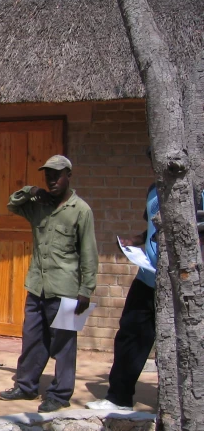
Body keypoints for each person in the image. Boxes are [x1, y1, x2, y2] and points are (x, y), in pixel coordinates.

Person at [0, 154, 98, 413]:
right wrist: (31, 191)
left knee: (64, 344)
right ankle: (26, 385)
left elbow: (89, 252)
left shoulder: (81, 211)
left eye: (57, 175)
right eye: (48, 176)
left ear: (68, 176)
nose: (52, 180)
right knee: (32, 338)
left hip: (66, 290)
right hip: (37, 286)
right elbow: (12, 204)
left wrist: (86, 290)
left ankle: (60, 394)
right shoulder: (39, 206)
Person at [87, 152, 158, 411]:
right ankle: (119, 398)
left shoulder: (196, 191)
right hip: (147, 277)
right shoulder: (154, 190)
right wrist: (136, 241)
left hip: (178, 283)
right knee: (129, 333)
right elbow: (153, 228)